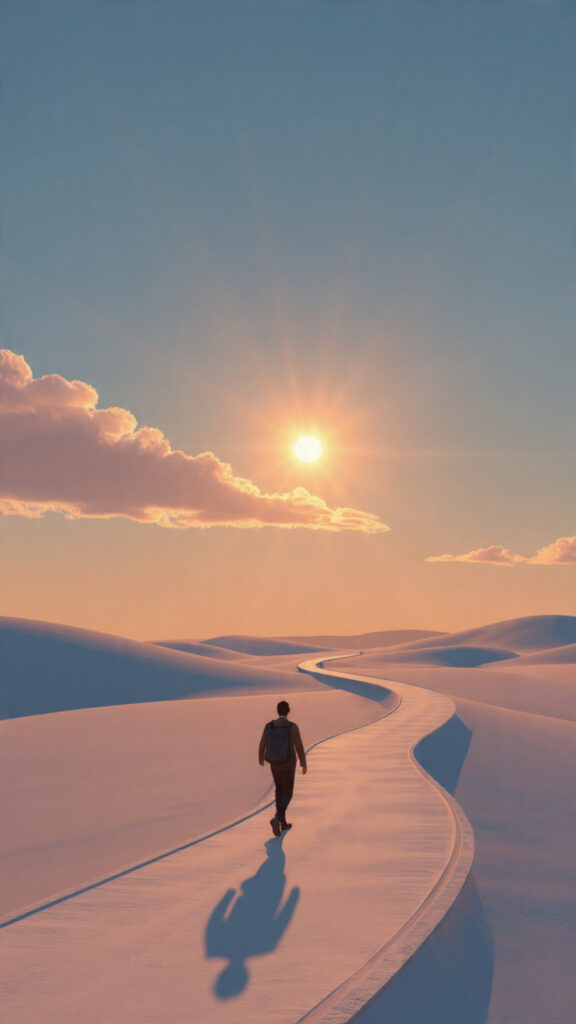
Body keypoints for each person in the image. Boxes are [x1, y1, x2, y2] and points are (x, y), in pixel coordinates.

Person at [259, 700, 307, 837]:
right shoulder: (292, 727)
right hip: (288, 763)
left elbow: (263, 742)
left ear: (277, 711)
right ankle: (277, 818)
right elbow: (299, 746)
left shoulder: (269, 726)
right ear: (288, 711)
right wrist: (303, 762)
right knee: (288, 793)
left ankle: (282, 822)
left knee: (279, 790)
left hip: (274, 763)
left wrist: (261, 756)